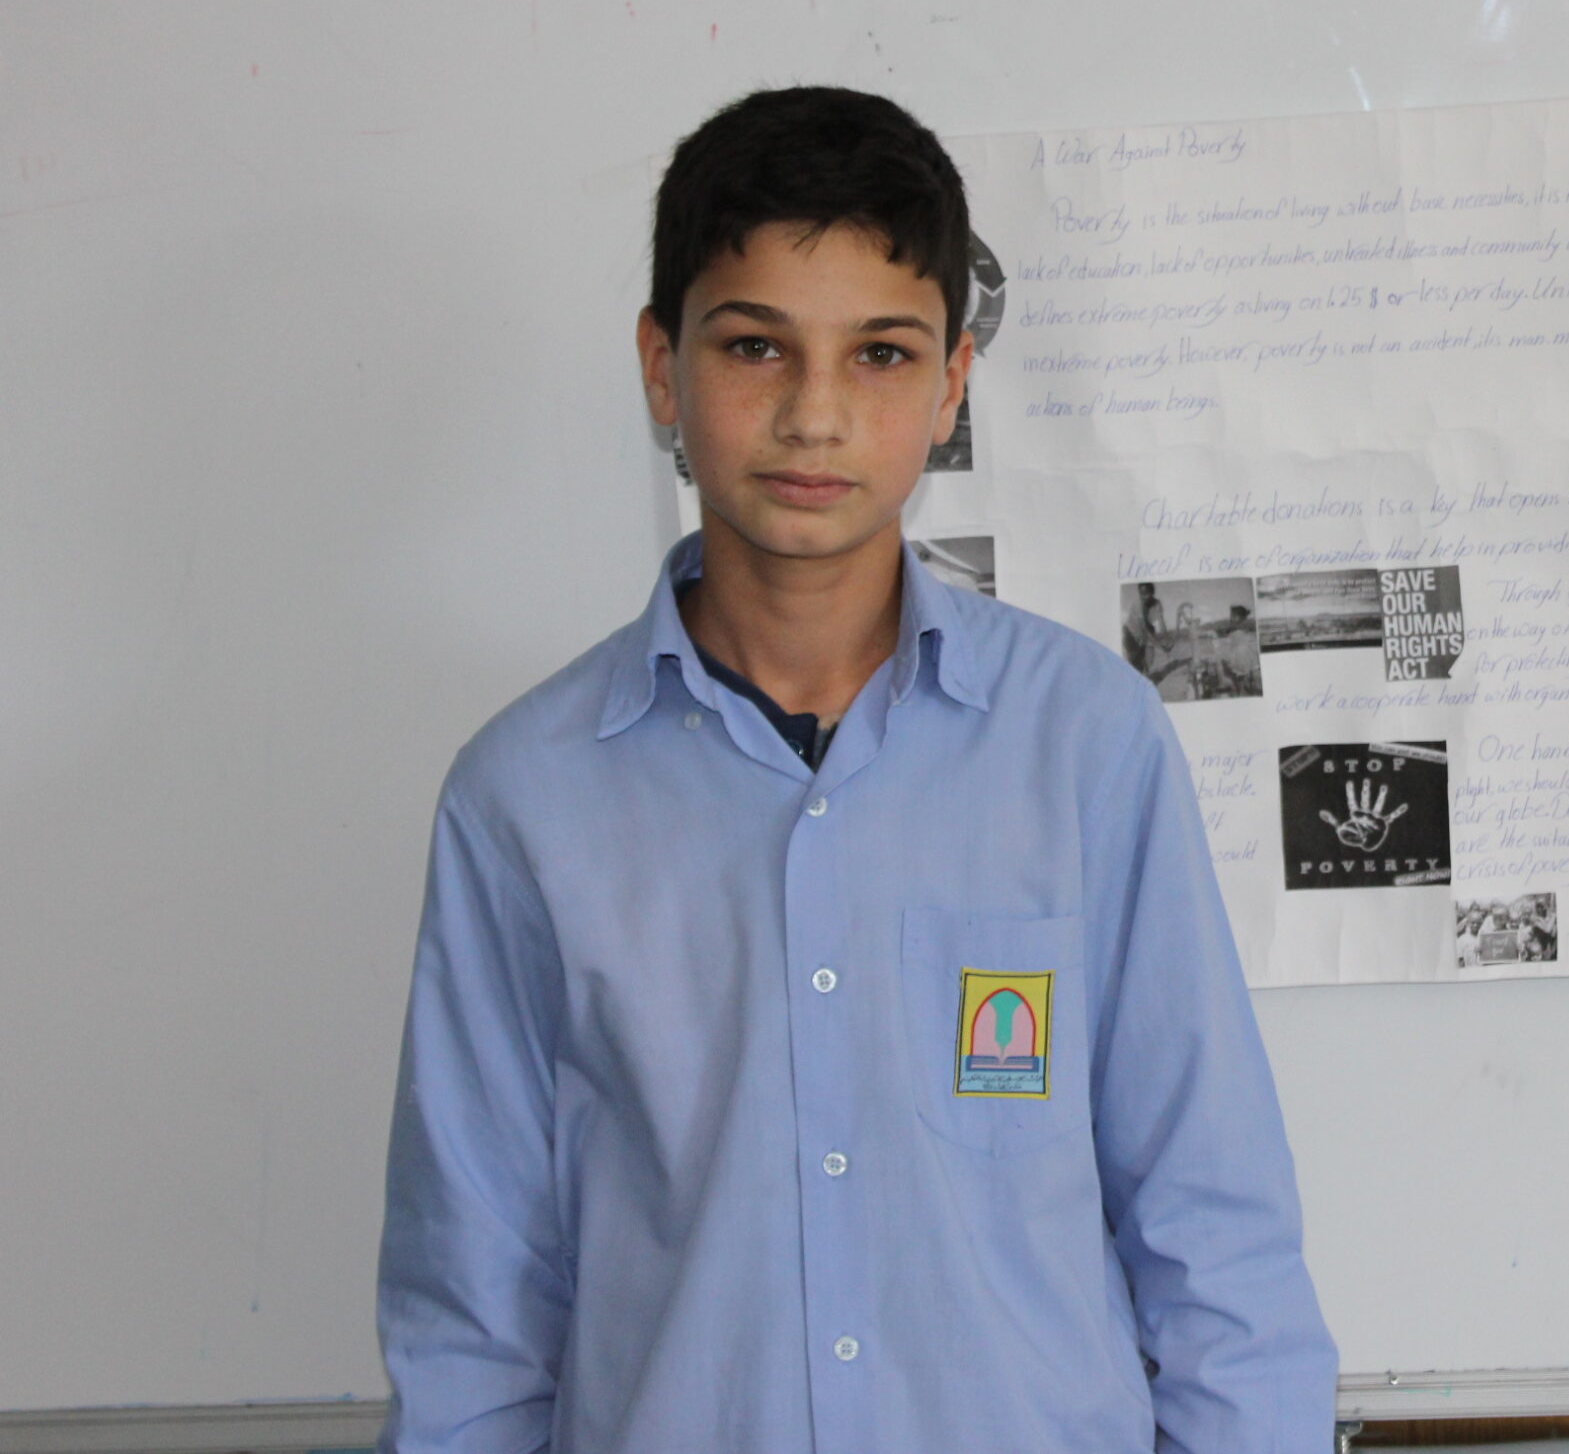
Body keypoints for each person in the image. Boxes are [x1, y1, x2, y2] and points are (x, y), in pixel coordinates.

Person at [375, 87, 1336, 1453]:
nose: (815, 414)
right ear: (662, 369)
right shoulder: (525, 797)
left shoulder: (1085, 742)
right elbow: (473, 1307)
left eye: (881, 354)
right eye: (755, 346)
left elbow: (1213, 1231)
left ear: (951, 387)